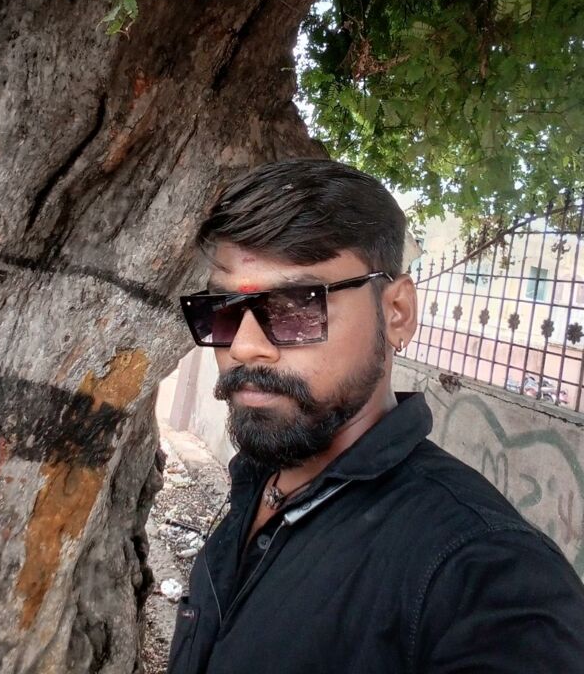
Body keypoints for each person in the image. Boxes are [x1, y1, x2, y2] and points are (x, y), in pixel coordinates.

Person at [169, 158, 584, 674]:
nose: (245, 347)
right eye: (224, 309)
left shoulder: (485, 575)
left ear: (397, 313)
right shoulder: (259, 478)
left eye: (296, 306)